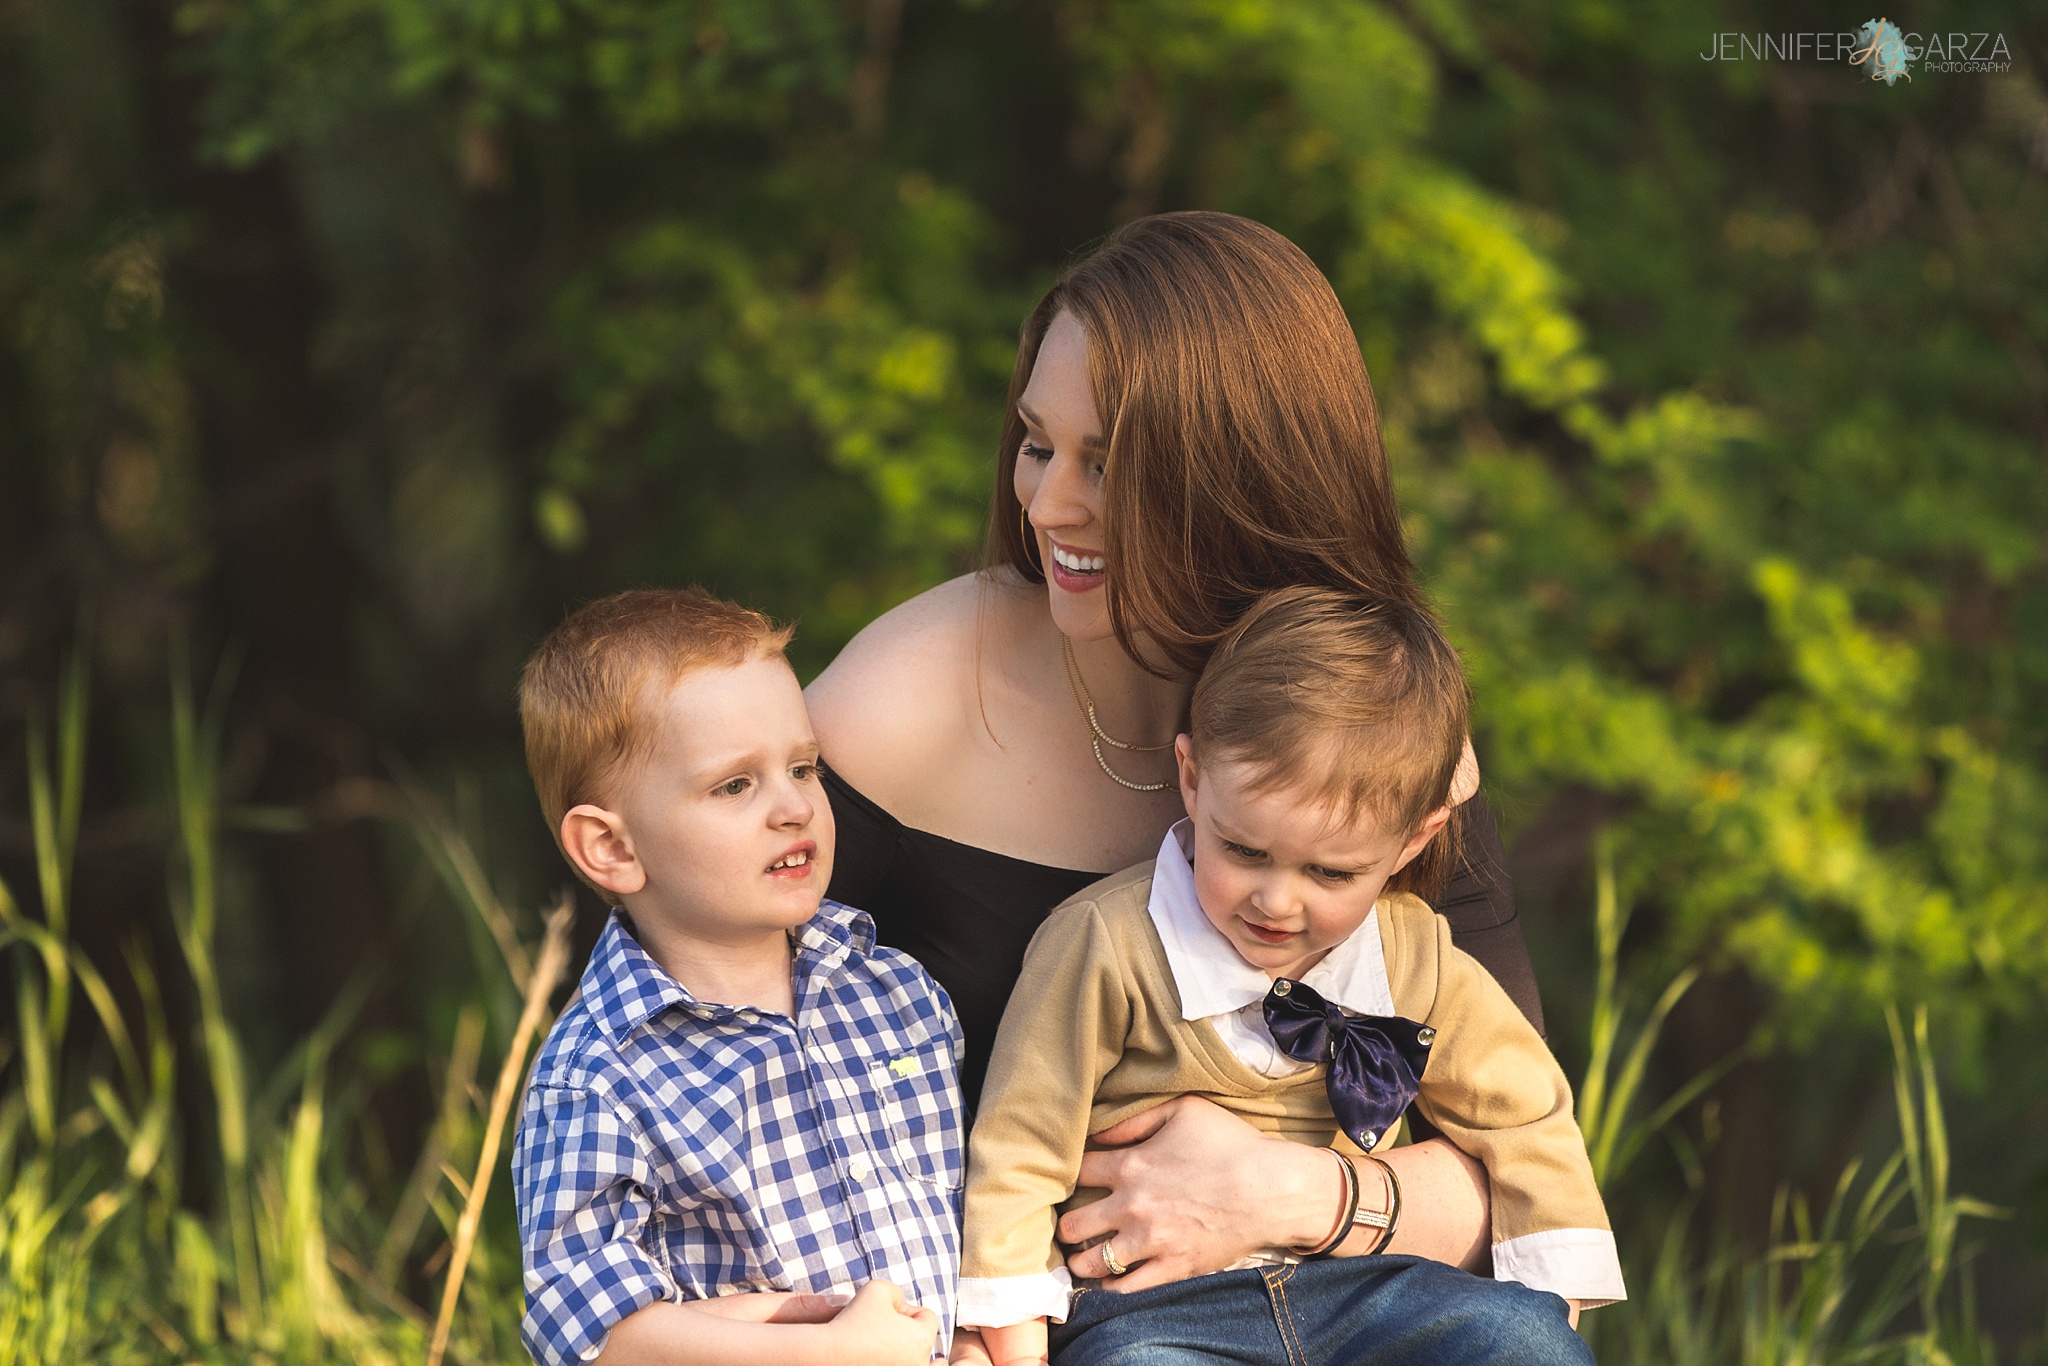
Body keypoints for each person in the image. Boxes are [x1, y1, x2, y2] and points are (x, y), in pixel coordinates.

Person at [808, 211, 1528, 1287]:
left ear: (1243, 480)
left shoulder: (1373, 728)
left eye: (1106, 465)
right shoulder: (905, 700)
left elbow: (1519, 1166)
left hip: (1320, 1314)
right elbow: (677, 1050)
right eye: (1037, 445)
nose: (1049, 503)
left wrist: (1284, 1194)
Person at [951, 588, 1623, 1366]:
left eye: (1331, 872)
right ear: (1193, 777)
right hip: (1155, 1312)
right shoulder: (1104, 944)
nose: (1277, 901)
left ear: (1415, 839)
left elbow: (1524, 1115)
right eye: (1244, 851)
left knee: (1517, 1338)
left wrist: (1555, 1304)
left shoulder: (1416, 956)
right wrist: (1012, 1339)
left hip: (1365, 1293)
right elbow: (1019, 1149)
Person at [511, 588, 963, 1366]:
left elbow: (977, 1212)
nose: (793, 807)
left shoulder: (897, 994)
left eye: (802, 767)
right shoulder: (597, 1077)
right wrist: (837, 1355)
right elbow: (591, 1331)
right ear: (611, 849)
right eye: (734, 785)